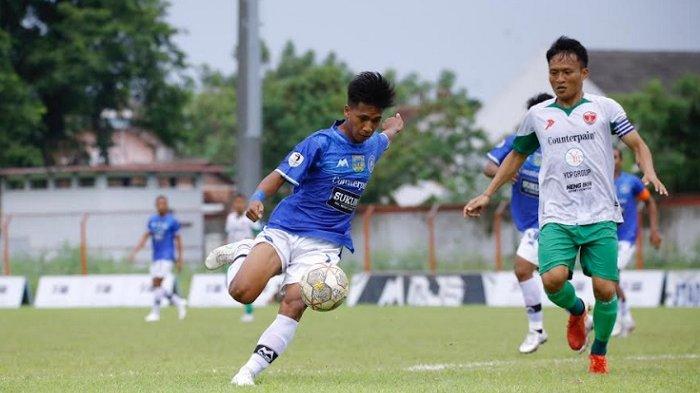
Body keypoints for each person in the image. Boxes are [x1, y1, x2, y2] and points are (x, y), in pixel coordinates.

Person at [464, 36, 667, 374]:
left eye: (566, 72)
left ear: (583, 73)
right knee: (554, 281)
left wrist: (648, 169)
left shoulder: (605, 108)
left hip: (601, 213)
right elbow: (516, 156)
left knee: (605, 288)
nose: (559, 79)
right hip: (556, 215)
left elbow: (636, 142)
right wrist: (488, 193)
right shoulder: (538, 115)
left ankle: (599, 353)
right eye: (553, 72)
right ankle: (576, 312)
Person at [205, 71, 403, 386]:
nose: (368, 127)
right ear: (347, 111)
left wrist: (392, 127)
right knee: (241, 292)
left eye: (375, 121)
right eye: (362, 118)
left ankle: (248, 372)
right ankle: (244, 250)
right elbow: (279, 175)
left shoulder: (373, 144)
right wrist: (257, 198)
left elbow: (386, 137)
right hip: (286, 229)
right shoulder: (320, 143)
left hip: (323, 246)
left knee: (295, 301)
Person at [484, 92, 552, 354]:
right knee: (552, 280)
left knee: (523, 269)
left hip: (552, 220)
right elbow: (489, 166)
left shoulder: (557, 144)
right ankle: (580, 313)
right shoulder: (516, 143)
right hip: (528, 222)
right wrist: (504, 173)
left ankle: (537, 329)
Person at [612, 147, 662, 337]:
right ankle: (627, 318)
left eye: (615, 157)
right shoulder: (601, 182)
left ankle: (618, 319)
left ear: (621, 160)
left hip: (627, 238)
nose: (612, 160)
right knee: (609, 278)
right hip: (607, 239)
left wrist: (654, 230)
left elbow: (650, 202)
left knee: (610, 275)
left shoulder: (630, 182)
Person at [129, 195, 187, 322]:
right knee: (156, 285)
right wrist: (135, 251)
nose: (162, 206)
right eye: (159, 204)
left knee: (157, 283)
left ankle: (155, 313)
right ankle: (178, 301)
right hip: (156, 257)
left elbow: (178, 241)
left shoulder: (172, 221)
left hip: (167, 256)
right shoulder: (152, 220)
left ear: (167, 205)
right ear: (156, 206)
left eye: (164, 203)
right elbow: (145, 237)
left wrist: (180, 258)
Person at [224, 194, 261, 322]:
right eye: (236, 202)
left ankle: (249, 312)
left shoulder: (250, 216)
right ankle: (247, 310)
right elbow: (228, 235)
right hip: (233, 253)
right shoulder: (230, 218)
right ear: (234, 204)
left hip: (247, 253)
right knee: (231, 282)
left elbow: (259, 233)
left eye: (241, 202)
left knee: (245, 283)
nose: (238, 205)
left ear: (244, 204)